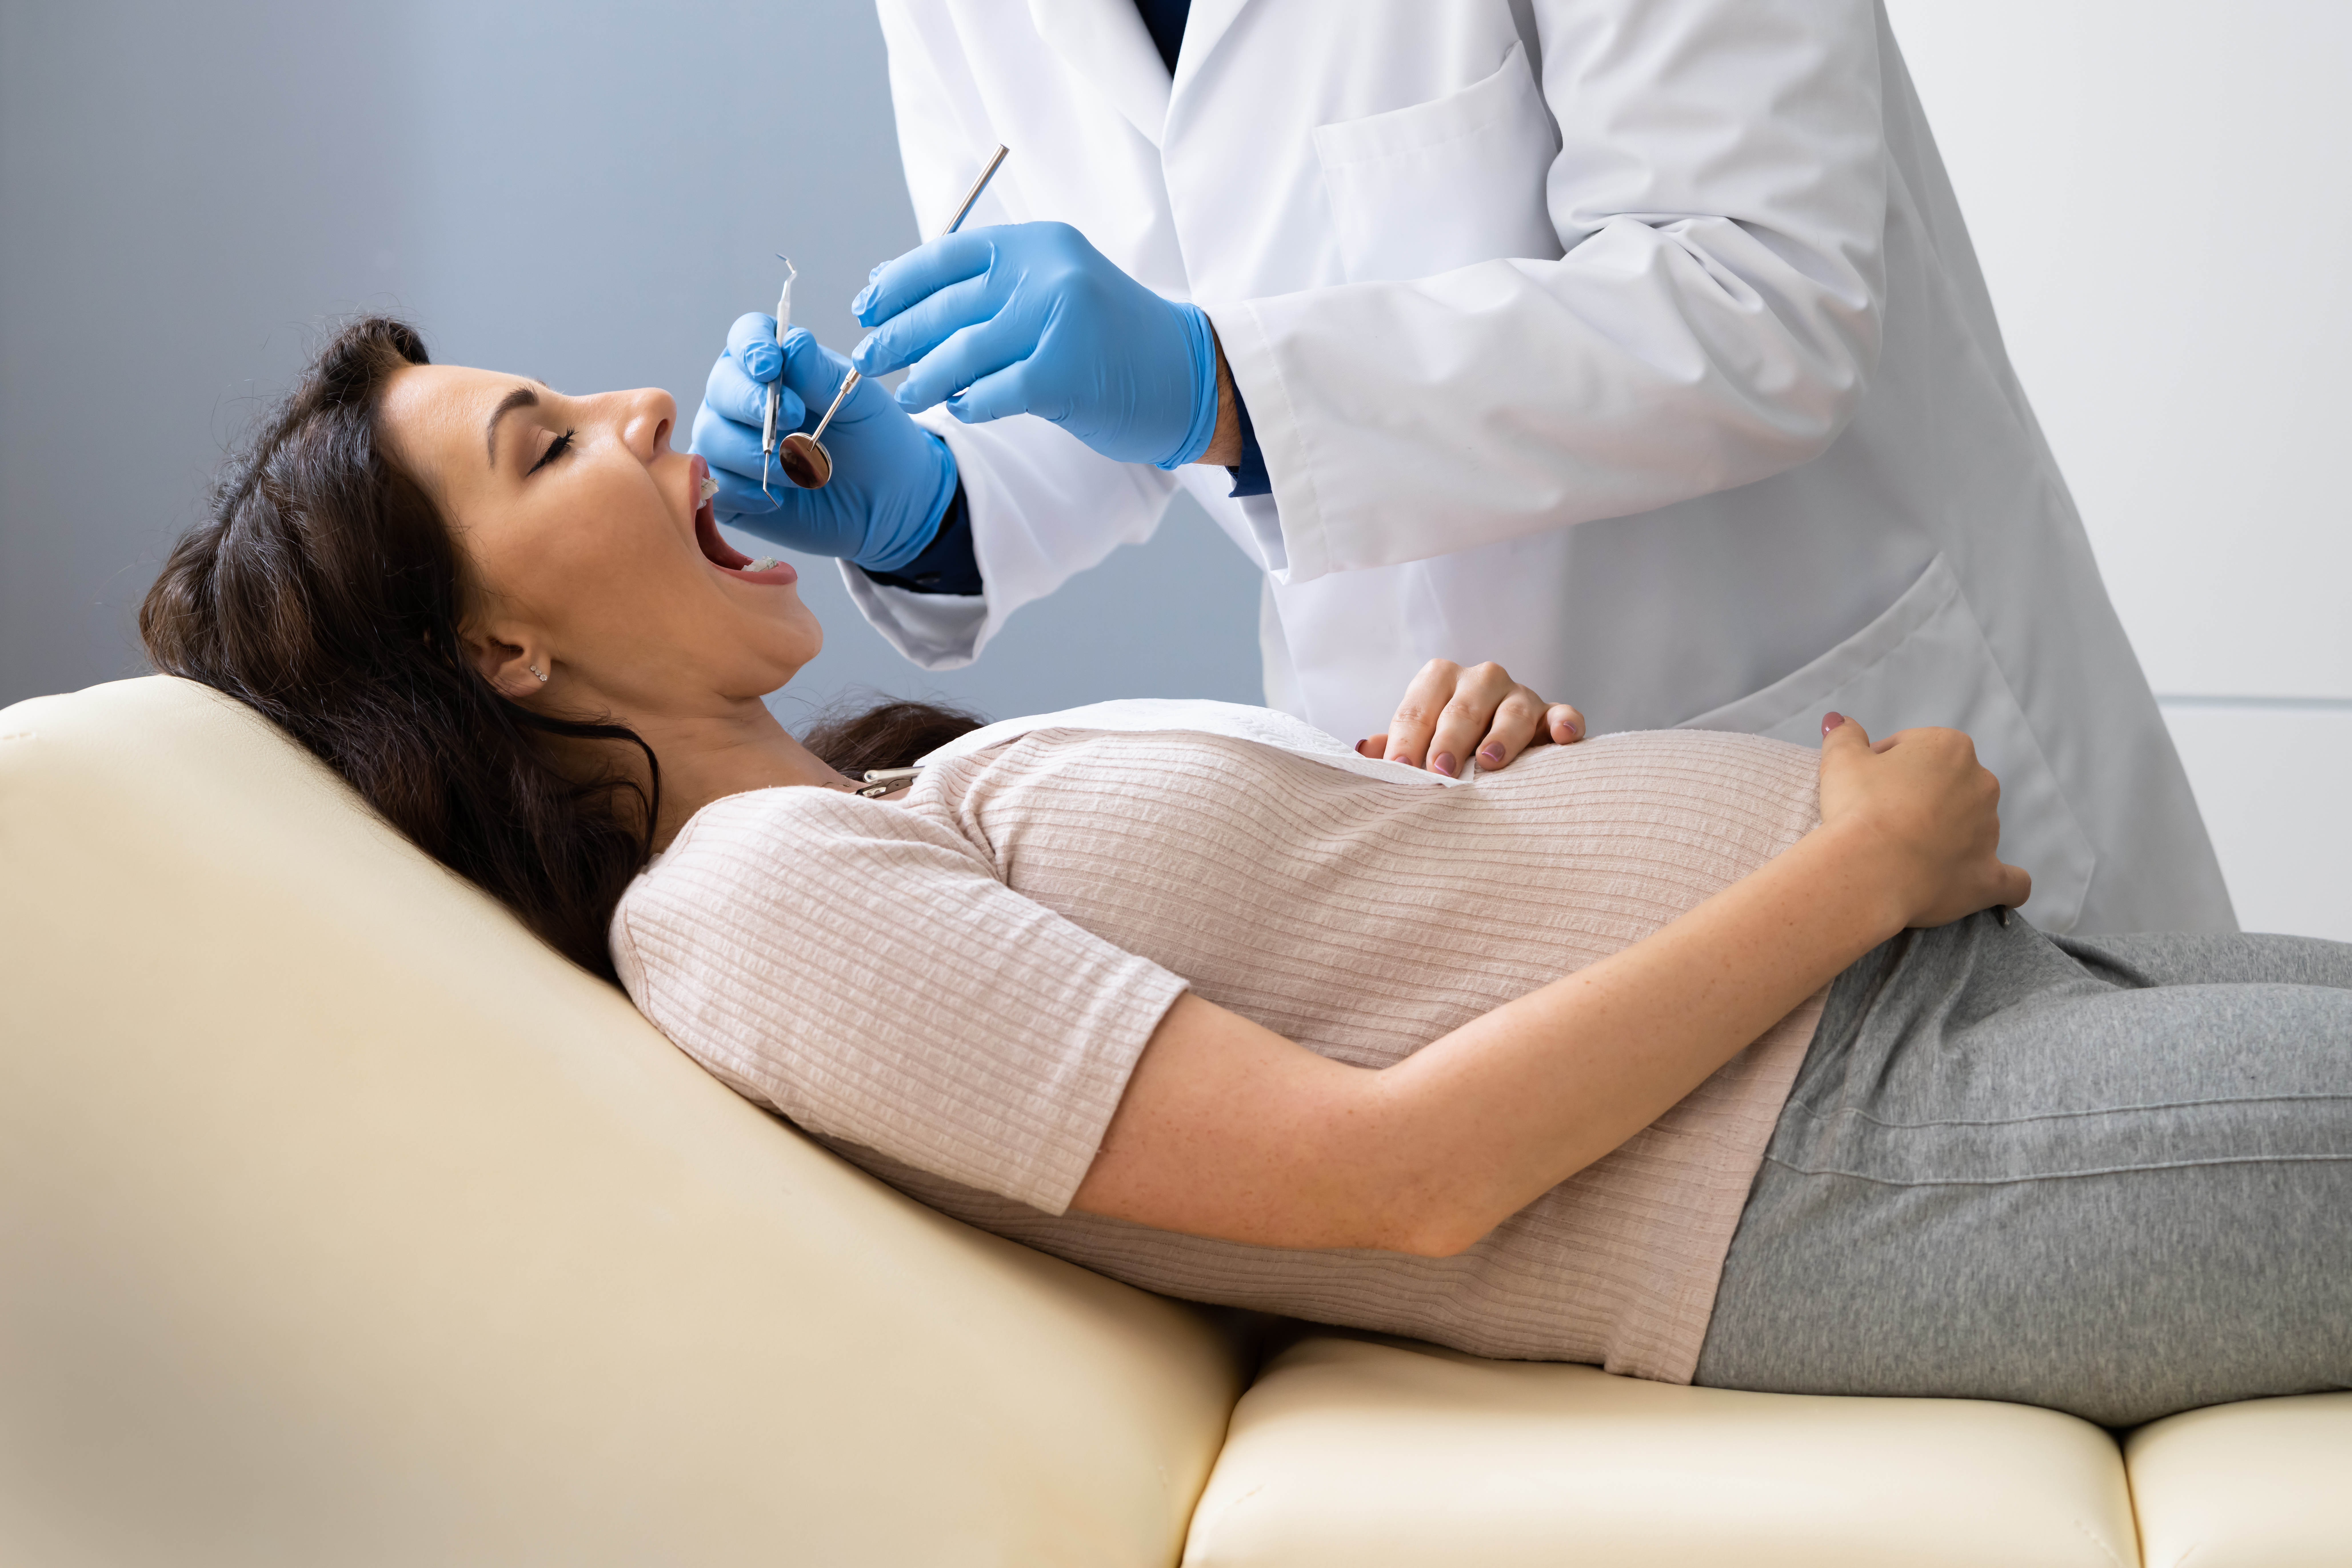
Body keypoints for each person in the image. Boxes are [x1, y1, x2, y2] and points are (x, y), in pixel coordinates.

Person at [144, 320, 2347, 1428]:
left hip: (1932, 1028)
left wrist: (1445, 796)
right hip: (1853, 1159)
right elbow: (1399, 1179)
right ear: (500, 651)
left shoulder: (860, 818)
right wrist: (1849, 878)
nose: (643, 407)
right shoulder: (737, 913)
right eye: (544, 446)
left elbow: (1341, 987)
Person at [690, 0, 2236, 940]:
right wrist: (933, 506)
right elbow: (1106, 353)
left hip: (1831, 726)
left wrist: (1214, 381)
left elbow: (1762, 300)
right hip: (1435, 804)